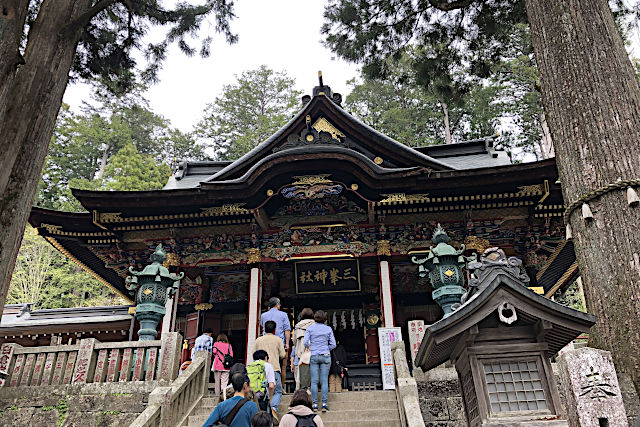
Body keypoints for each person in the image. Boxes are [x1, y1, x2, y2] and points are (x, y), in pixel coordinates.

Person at [303, 310, 336, 412]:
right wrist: (326, 348)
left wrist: (312, 347)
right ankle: (324, 404)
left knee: (314, 381)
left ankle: (315, 404)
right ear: (325, 319)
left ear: (315, 318)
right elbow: (333, 344)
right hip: (325, 356)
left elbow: (305, 342)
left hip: (314, 355)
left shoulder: (310, 328)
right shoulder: (328, 329)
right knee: (324, 380)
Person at [254, 320, 286, 414]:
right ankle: (273, 407)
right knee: (278, 391)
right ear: (274, 330)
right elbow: (283, 355)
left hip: (259, 370)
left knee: (261, 391)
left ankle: (262, 411)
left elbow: (253, 353)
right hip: (274, 368)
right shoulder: (278, 340)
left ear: (264, 329)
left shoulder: (258, 340)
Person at [293, 308, 314, 390]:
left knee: (299, 375)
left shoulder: (298, 326)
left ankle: (299, 392)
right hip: (312, 352)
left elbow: (294, 342)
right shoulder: (315, 325)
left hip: (300, 353)